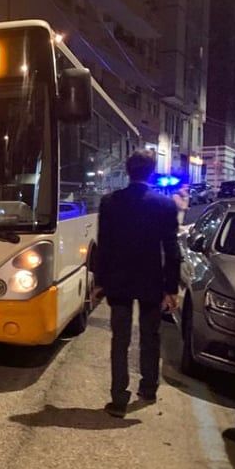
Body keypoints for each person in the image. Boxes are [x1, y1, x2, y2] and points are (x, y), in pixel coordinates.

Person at [94, 151, 181, 417]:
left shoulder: (110, 202)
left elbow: (103, 246)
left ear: (127, 170)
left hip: (119, 281)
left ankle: (119, 399)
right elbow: (171, 248)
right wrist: (171, 288)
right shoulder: (165, 205)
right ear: (151, 172)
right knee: (150, 337)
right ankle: (149, 388)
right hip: (151, 281)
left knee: (119, 339)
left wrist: (100, 282)